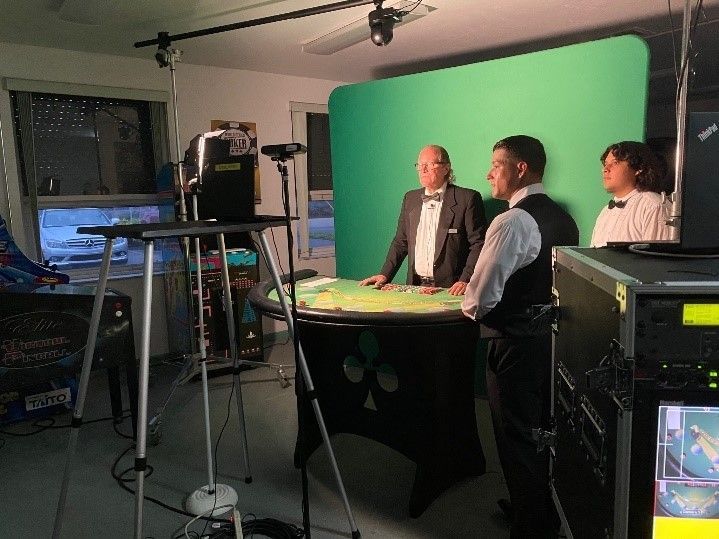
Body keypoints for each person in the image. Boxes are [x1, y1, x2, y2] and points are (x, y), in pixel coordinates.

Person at [461, 135, 579, 538]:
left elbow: (480, 296)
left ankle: (530, 527)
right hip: (552, 342)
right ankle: (540, 511)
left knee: (515, 439)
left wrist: (464, 308)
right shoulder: (565, 218)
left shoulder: (511, 220)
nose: (488, 173)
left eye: (496, 164)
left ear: (520, 169)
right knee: (543, 432)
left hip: (513, 344)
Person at [360, 144, 487, 295]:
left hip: (451, 289)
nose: (423, 169)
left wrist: (466, 280)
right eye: (420, 165)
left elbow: (478, 244)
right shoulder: (410, 198)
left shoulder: (467, 198)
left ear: (446, 168)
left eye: (429, 164)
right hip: (415, 287)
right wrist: (384, 274)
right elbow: (401, 242)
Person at [590, 140, 673, 247]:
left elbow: (658, 259)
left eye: (615, 163)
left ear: (639, 168)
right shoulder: (605, 212)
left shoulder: (654, 206)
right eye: (605, 164)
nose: (605, 169)